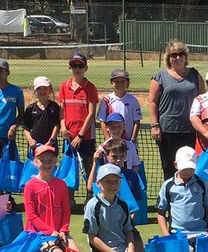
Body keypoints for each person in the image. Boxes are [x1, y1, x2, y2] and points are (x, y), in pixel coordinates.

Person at [83, 164, 146, 252]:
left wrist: (131, 250)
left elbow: (128, 231)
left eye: (116, 181)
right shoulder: (92, 206)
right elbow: (92, 238)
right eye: (108, 182)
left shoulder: (123, 204)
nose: (113, 185)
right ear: (98, 183)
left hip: (124, 251)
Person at [148, 40, 202, 179]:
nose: (177, 57)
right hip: (167, 130)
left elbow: (203, 99)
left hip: (190, 130)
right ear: (169, 58)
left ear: (185, 57)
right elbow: (152, 101)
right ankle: (170, 197)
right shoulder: (160, 76)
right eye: (174, 55)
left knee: (190, 166)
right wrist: (155, 125)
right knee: (169, 167)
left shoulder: (195, 75)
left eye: (181, 54)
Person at [96, 68, 145, 202]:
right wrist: (109, 142)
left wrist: (133, 140)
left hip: (128, 143)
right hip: (112, 144)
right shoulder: (106, 100)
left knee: (128, 170)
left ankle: (130, 201)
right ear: (111, 83)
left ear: (127, 83)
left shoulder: (133, 100)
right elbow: (102, 121)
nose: (119, 84)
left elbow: (136, 121)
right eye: (116, 81)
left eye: (122, 81)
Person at [23, 144, 77, 252]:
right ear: (35, 162)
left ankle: (53, 246)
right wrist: (50, 232)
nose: (47, 164)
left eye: (50, 160)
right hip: (40, 234)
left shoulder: (62, 184)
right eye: (43, 160)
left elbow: (66, 211)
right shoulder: (30, 186)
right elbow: (31, 215)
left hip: (60, 232)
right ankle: (36, 250)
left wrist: (63, 230)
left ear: (55, 161)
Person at [58, 52, 99, 208]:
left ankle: (90, 197)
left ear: (85, 68)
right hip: (68, 137)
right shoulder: (63, 86)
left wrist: (80, 135)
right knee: (70, 168)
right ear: (69, 68)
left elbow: (91, 114)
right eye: (74, 65)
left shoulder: (91, 88)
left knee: (89, 168)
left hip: (86, 137)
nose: (77, 68)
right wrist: (63, 128)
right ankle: (70, 199)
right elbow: (62, 111)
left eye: (80, 65)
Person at [157, 147, 208, 241]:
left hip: (201, 232)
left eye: (191, 168)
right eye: (184, 168)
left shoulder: (202, 184)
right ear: (176, 165)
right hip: (177, 234)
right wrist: (167, 235)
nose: (187, 172)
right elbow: (161, 213)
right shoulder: (168, 185)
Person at [21, 75, 61, 154]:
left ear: (49, 90)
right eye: (39, 89)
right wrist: (30, 140)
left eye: (45, 88)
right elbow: (26, 127)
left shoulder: (55, 107)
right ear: (35, 91)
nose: (42, 91)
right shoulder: (30, 108)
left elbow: (57, 125)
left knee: (49, 165)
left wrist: (51, 140)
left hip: (50, 145)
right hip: (35, 146)